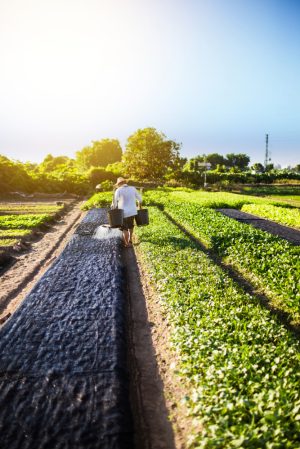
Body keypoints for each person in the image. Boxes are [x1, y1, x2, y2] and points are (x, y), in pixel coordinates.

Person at [113, 177, 142, 247]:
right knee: (130, 226)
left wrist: (114, 210)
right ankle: (130, 240)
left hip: (123, 213)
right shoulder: (133, 188)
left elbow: (115, 202)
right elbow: (140, 199)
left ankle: (127, 244)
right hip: (132, 211)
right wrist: (139, 206)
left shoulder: (118, 190)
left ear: (119, 184)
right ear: (125, 182)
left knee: (124, 229)